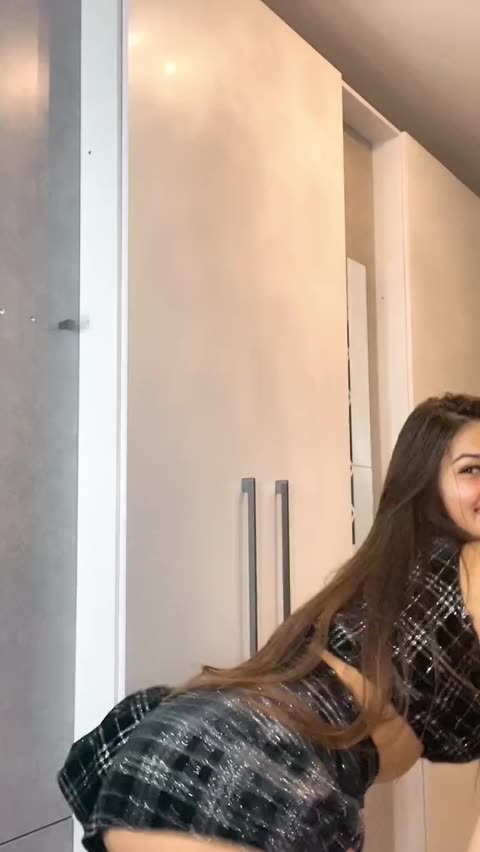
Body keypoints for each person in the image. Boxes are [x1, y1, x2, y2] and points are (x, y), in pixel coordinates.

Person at [59, 393, 480, 852]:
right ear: (425, 481)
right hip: (248, 770)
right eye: (471, 469)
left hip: (175, 747)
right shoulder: (457, 566)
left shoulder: (386, 574)